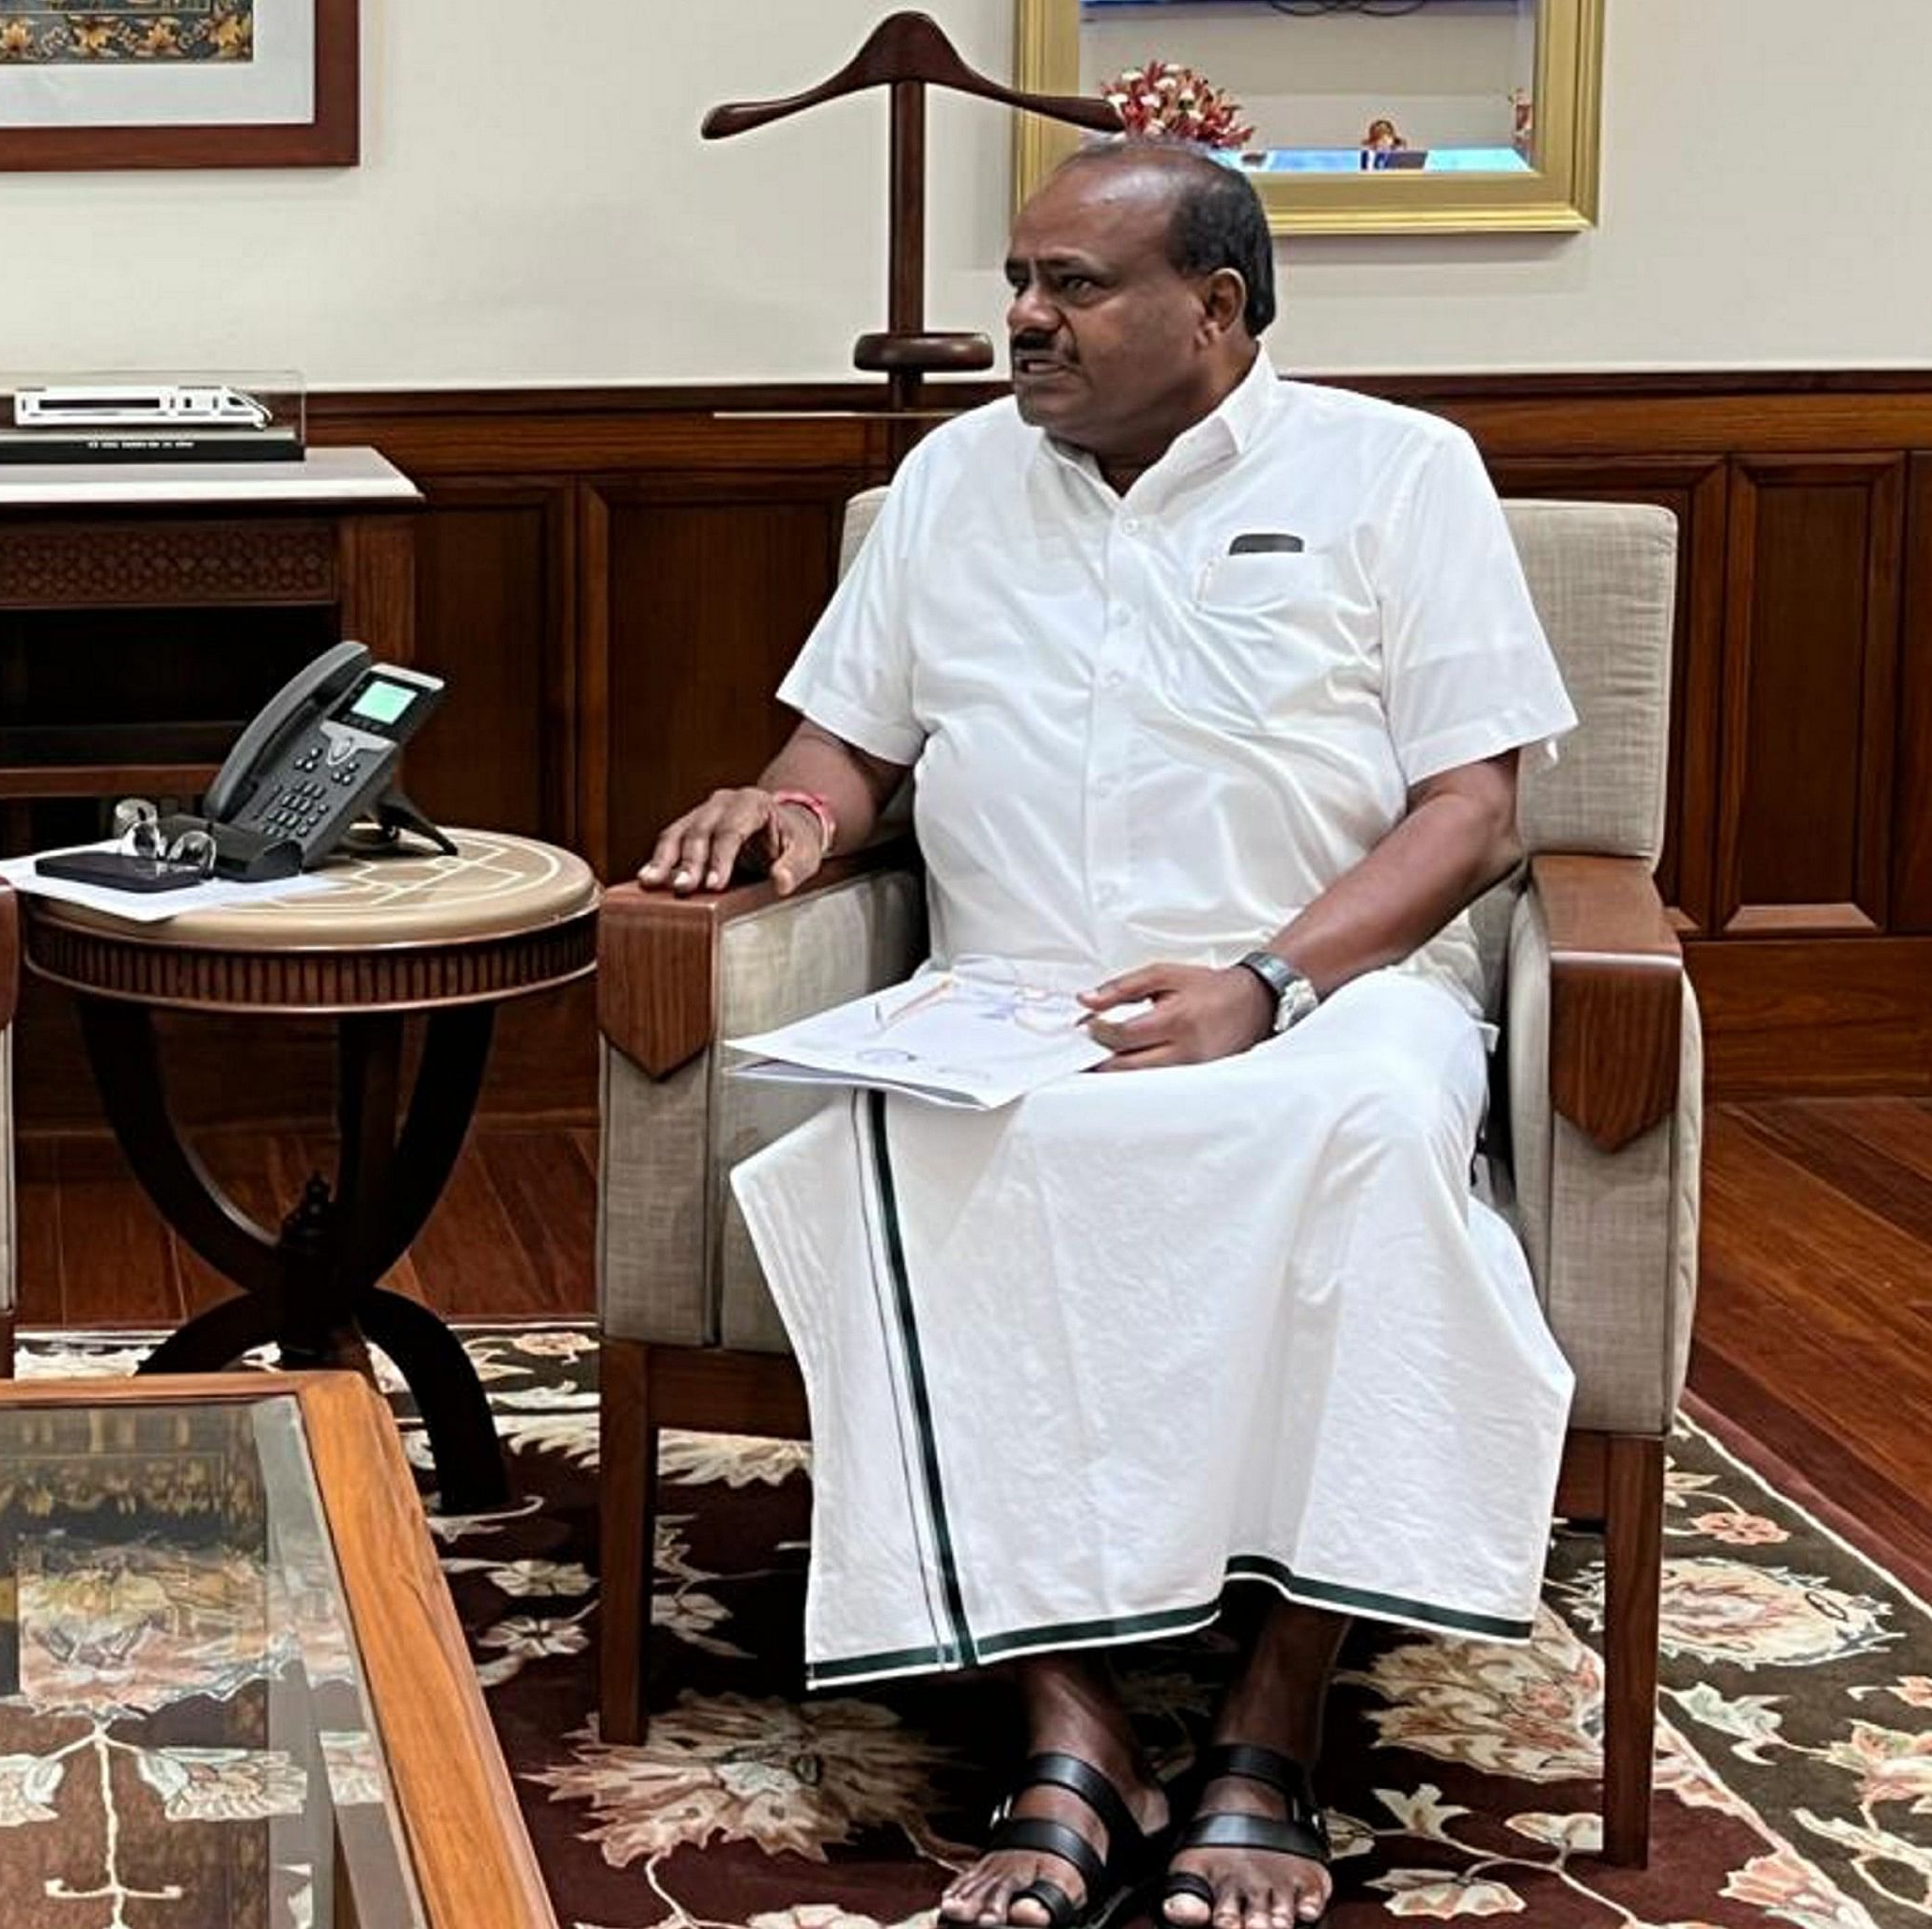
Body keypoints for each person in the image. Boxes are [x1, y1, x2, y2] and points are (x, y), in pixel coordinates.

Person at [638, 142, 1577, 1929]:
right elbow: (846, 740)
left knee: (1377, 1140)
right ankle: (1068, 1723)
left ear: (1216, 310)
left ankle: (1269, 1719)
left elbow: (1474, 810)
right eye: (1021, 278)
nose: (1021, 319)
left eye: (1074, 286)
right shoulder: (952, 479)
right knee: (881, 1142)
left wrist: (1268, 981)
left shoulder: (1397, 473)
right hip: (1018, 1003)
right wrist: (786, 811)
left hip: (1326, 1000)